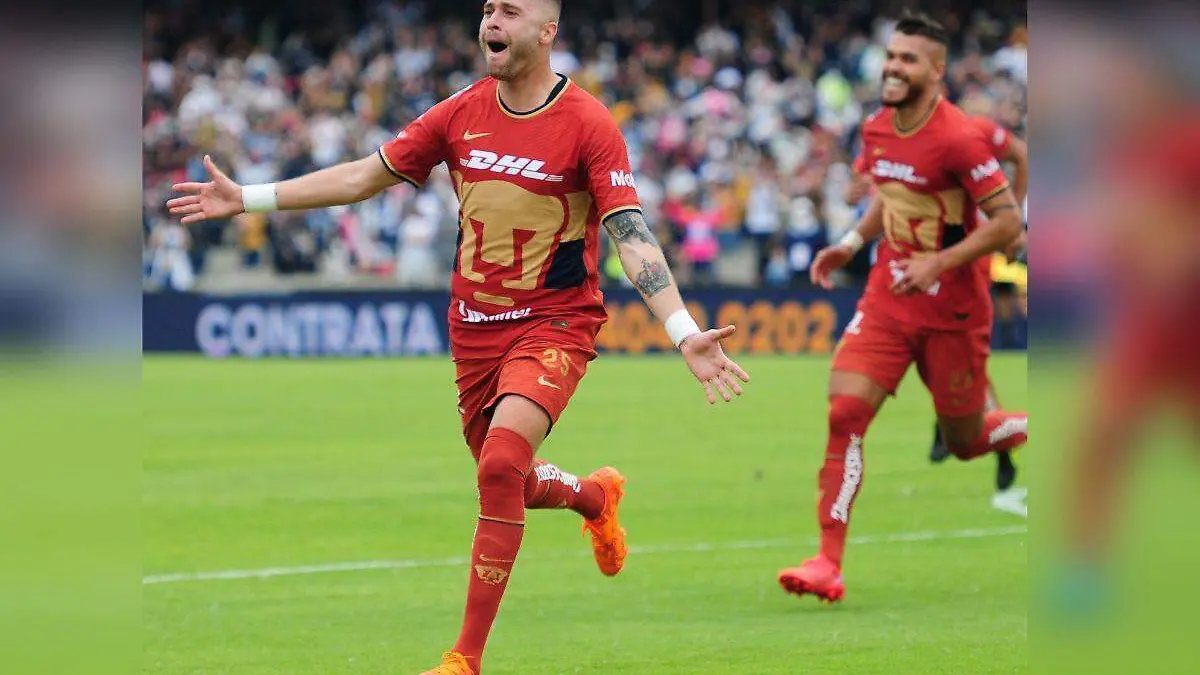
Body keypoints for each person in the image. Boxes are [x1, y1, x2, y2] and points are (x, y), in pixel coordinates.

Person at [167, 1, 750, 672]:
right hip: (474, 330)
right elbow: (362, 177)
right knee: (508, 478)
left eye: (510, 10)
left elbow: (631, 233)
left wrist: (682, 330)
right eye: (487, 8)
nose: (491, 20)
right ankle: (594, 496)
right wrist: (248, 197)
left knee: (500, 466)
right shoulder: (458, 113)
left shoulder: (589, 123)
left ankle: (463, 658)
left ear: (547, 32)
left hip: (554, 322)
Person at [777, 12, 1029, 603]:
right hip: (889, 298)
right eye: (891, 56)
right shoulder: (876, 128)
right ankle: (827, 563)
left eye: (907, 59)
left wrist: (939, 263)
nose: (893, 67)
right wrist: (849, 243)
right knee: (845, 412)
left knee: (965, 440)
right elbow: (887, 199)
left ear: (937, 71)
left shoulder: (960, 138)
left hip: (953, 311)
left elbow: (1008, 224)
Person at [926, 113, 1030, 518]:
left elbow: (1022, 155)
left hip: (964, 260)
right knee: (934, 353)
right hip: (925, 259)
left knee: (963, 363)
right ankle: (953, 427)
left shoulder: (973, 131)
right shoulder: (901, 136)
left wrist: (1010, 221)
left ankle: (993, 442)